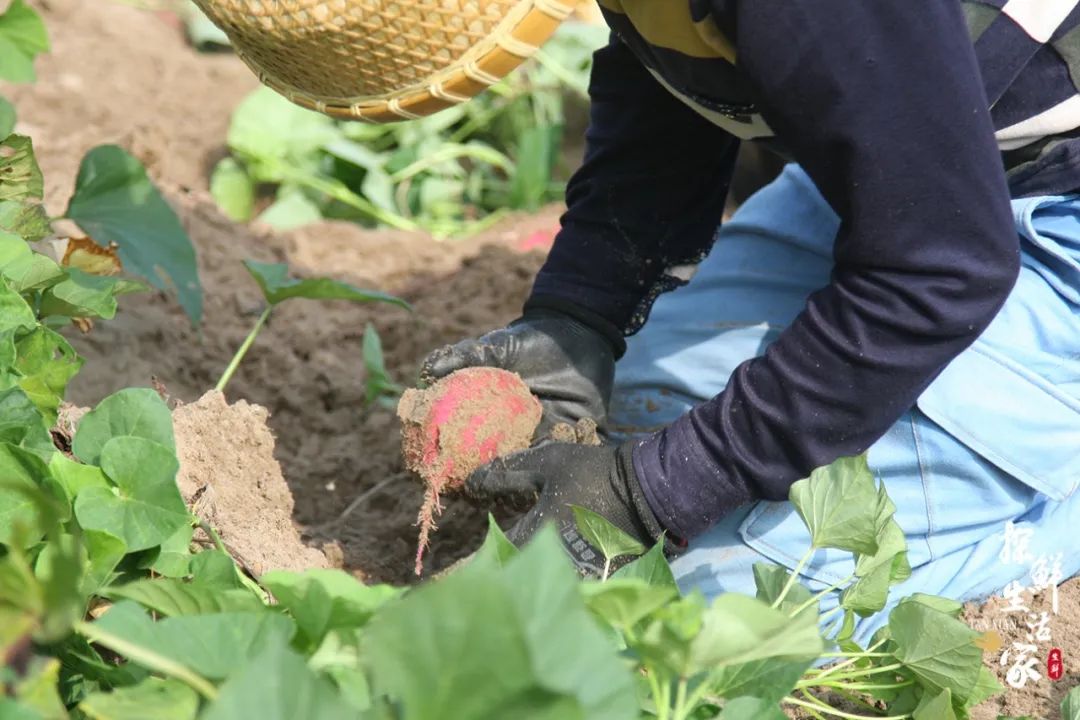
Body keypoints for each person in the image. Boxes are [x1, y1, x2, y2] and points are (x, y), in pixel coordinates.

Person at [196, 0, 1080, 643]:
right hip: (913, 172)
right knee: (644, 427)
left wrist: (650, 494)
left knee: (705, 602)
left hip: (1026, 217)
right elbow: (675, 61)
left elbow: (939, 270)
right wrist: (577, 318)